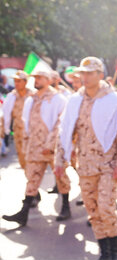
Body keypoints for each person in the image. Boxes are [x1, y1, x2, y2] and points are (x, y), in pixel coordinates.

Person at [55, 57, 117, 260]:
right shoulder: (75, 101)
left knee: (106, 208)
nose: (84, 77)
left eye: (89, 73)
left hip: (108, 165)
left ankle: (116, 254)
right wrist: (60, 159)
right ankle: (104, 254)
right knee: (93, 210)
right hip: (85, 166)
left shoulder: (114, 100)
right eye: (82, 73)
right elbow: (65, 131)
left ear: (99, 74)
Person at [2, 69, 70, 225]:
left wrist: (50, 143)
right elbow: (26, 122)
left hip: (52, 148)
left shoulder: (57, 99)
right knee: (32, 178)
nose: (36, 80)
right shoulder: (31, 99)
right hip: (34, 146)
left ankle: (65, 206)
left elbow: (61, 123)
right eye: (35, 78)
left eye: (39, 78)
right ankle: (23, 213)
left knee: (61, 177)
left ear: (48, 80)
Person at [3, 70, 35, 171]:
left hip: (32, 132)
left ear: (25, 82)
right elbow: (5, 114)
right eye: (15, 81)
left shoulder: (33, 95)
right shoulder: (11, 96)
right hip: (18, 131)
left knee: (33, 157)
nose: (16, 83)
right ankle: (29, 175)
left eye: (19, 81)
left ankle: (32, 178)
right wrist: (4, 130)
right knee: (21, 156)